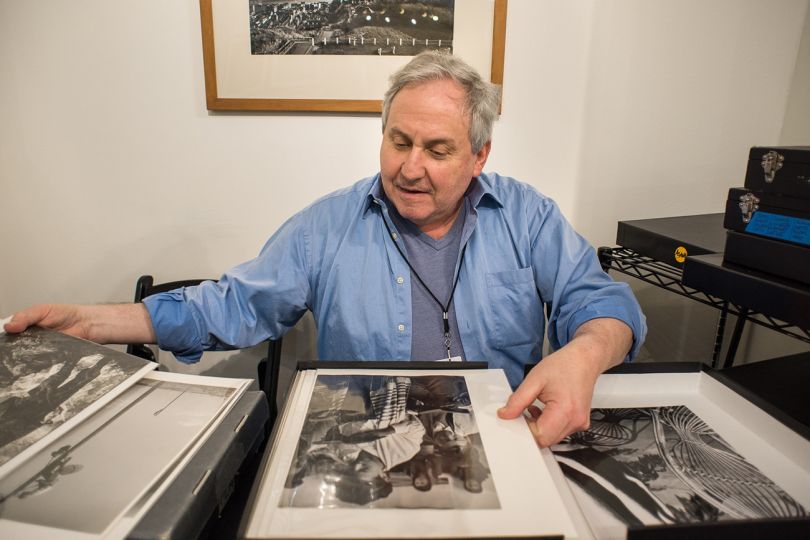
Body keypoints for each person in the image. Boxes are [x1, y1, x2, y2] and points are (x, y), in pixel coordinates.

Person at [3, 51, 646, 447]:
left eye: (438, 149)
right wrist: (90, 322)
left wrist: (586, 354)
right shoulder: (326, 225)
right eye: (399, 141)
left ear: (480, 155)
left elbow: (604, 303)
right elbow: (226, 308)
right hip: (365, 446)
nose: (410, 168)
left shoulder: (528, 217)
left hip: (508, 439)